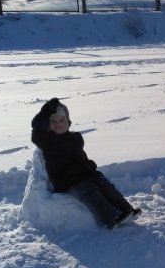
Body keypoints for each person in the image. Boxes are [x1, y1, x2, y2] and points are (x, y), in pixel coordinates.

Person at [31, 97, 141, 229]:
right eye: (53, 121)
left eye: (61, 120)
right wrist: (46, 110)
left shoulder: (75, 138)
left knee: (103, 183)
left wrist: (89, 166)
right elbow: (36, 128)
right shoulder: (47, 141)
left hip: (83, 174)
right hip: (66, 180)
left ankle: (126, 210)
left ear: (67, 122)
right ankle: (110, 218)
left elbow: (80, 158)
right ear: (48, 124)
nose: (57, 124)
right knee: (90, 191)